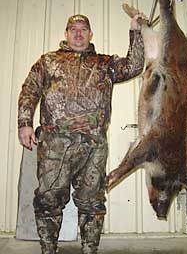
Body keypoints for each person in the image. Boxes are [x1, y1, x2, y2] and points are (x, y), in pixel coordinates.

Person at [18, 13, 144, 254]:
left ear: (90, 34)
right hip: (55, 144)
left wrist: (136, 31)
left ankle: (89, 250)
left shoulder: (104, 63)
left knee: (92, 201)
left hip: (93, 145)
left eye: (83, 29)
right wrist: (25, 122)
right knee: (48, 199)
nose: (78, 33)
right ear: (65, 34)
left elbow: (134, 66)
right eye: (73, 29)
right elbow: (30, 89)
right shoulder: (49, 61)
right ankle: (48, 250)